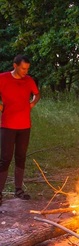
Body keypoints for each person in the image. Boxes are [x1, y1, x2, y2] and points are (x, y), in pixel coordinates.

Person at [0, 54, 41, 206]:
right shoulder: (3, 78)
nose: (25, 71)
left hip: (25, 126)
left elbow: (37, 94)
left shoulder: (29, 80)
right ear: (15, 65)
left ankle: (18, 190)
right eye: (23, 68)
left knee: (21, 157)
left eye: (27, 69)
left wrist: (32, 103)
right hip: (7, 126)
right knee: (5, 159)